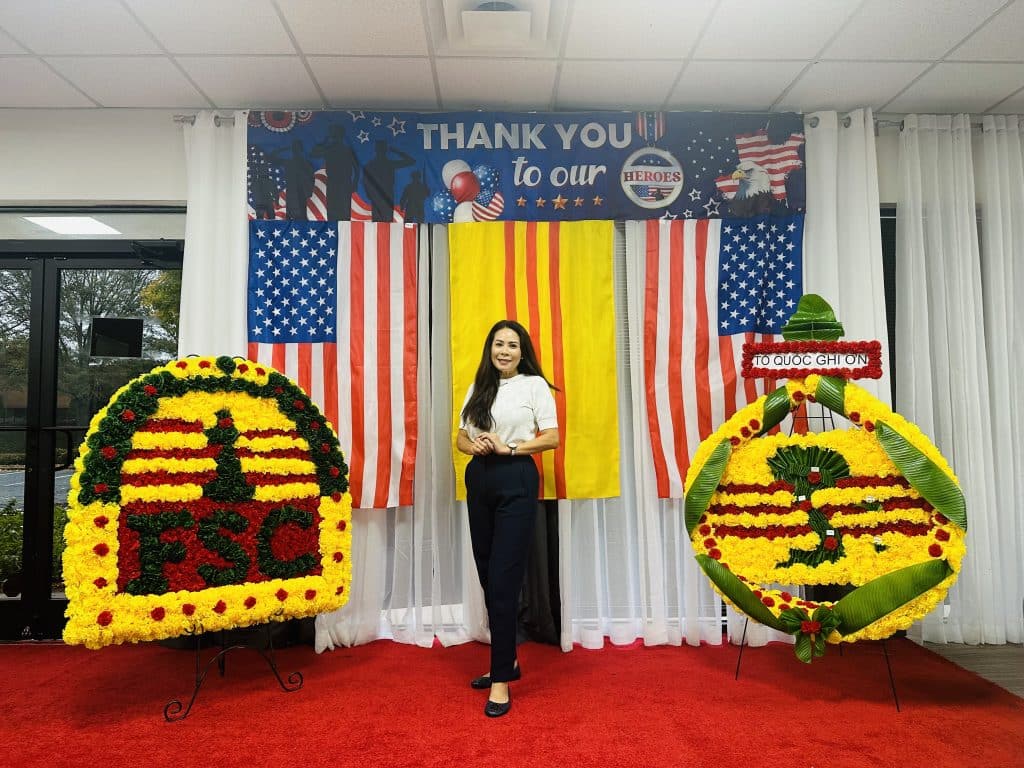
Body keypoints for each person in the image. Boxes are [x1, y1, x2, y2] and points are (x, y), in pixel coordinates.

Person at [456, 320, 560, 718]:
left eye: (512, 345)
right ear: (490, 348)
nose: (504, 351)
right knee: (487, 575)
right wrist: (475, 444)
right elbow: (461, 437)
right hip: (480, 479)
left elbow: (551, 437)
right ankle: (509, 660)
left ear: (522, 351)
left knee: (503, 580)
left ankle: (500, 680)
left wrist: (510, 446)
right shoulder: (479, 385)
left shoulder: (533, 386)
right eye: (498, 344)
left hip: (516, 477)